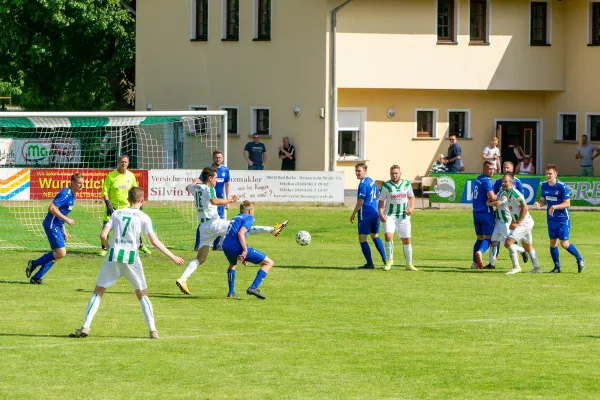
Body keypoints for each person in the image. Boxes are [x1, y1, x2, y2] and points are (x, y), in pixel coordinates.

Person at [69, 187, 185, 339]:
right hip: (131, 258)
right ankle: (153, 330)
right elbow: (154, 241)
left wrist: (109, 248)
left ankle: (85, 327)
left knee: (98, 291)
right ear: (142, 200)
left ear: (128, 200)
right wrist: (173, 256)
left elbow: (103, 235)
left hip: (114, 256)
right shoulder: (144, 217)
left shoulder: (117, 213)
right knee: (142, 294)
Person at [176, 167, 288, 296]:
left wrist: (194, 182)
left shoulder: (196, 188)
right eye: (215, 178)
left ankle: (183, 279)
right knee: (240, 226)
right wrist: (231, 200)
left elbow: (187, 187)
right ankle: (272, 230)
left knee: (200, 258)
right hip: (214, 223)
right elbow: (214, 201)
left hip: (203, 227)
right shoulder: (209, 188)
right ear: (210, 178)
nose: (217, 181)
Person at [26, 173, 85, 284]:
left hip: (57, 225)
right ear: (72, 182)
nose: (81, 186)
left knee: (57, 255)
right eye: (79, 183)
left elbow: (61, 212)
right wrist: (67, 220)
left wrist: (64, 230)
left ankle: (36, 277)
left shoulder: (72, 195)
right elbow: (52, 208)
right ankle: (33, 263)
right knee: (61, 253)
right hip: (52, 225)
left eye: (82, 184)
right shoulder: (66, 194)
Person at [534, 164, 584, 273]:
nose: (548, 175)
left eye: (550, 173)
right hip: (551, 219)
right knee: (552, 242)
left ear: (555, 174)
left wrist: (555, 206)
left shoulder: (562, 186)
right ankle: (557, 267)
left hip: (563, 219)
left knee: (564, 243)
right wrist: (539, 203)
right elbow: (543, 200)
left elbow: (567, 203)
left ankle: (580, 259)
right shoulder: (544, 185)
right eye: (546, 173)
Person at [99, 155, 151, 256]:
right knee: (106, 226)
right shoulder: (111, 176)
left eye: (125, 162)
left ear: (128, 163)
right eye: (122, 162)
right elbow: (105, 192)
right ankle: (104, 248)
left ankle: (140, 245)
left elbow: (136, 191)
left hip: (128, 207)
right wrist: (108, 204)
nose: (123, 164)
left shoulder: (131, 176)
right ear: (118, 163)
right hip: (113, 207)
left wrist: (140, 203)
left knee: (133, 227)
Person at [223, 200, 275, 300]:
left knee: (232, 265)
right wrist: (244, 250)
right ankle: (253, 288)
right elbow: (240, 233)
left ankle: (231, 292)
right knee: (268, 263)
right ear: (250, 211)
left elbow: (233, 234)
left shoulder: (235, 218)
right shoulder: (249, 218)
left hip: (226, 246)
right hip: (236, 246)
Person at [486, 173, 535, 272]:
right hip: (498, 221)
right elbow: (495, 198)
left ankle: (522, 251)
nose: (503, 183)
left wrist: (488, 203)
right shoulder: (501, 191)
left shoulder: (506, 194)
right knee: (494, 241)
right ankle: (491, 264)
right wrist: (490, 200)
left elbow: (498, 202)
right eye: (502, 181)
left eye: (505, 181)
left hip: (506, 222)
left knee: (507, 243)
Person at [378, 165, 416, 271]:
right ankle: (389, 260)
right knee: (388, 236)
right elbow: (381, 201)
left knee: (407, 239)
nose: (394, 175)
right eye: (392, 173)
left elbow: (411, 196)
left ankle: (409, 264)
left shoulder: (406, 184)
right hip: (390, 215)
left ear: (400, 173)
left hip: (403, 216)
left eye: (396, 173)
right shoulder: (386, 186)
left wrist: (411, 208)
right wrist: (381, 213)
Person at [350, 163, 387, 269]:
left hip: (365, 214)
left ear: (365, 171)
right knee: (374, 235)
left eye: (359, 171)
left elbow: (360, 201)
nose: (357, 173)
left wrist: (353, 214)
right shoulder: (371, 181)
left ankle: (370, 263)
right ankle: (386, 260)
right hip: (375, 213)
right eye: (356, 171)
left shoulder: (363, 184)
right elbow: (378, 195)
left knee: (362, 238)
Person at [194, 150, 231, 251]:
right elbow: (199, 180)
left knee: (220, 222)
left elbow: (227, 184)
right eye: (216, 157)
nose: (218, 159)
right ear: (213, 158)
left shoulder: (225, 170)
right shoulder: (209, 170)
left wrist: (227, 199)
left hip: (219, 201)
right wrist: (194, 184)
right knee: (204, 222)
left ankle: (216, 245)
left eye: (219, 157)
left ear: (222, 158)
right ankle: (197, 245)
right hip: (209, 200)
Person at [471, 161, 497, 269]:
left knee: (479, 238)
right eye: (490, 169)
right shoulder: (487, 181)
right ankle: (480, 253)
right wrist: (496, 198)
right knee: (488, 238)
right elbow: (492, 197)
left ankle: (474, 263)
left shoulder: (478, 178)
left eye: (493, 169)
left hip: (476, 212)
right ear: (485, 169)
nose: (492, 171)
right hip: (486, 213)